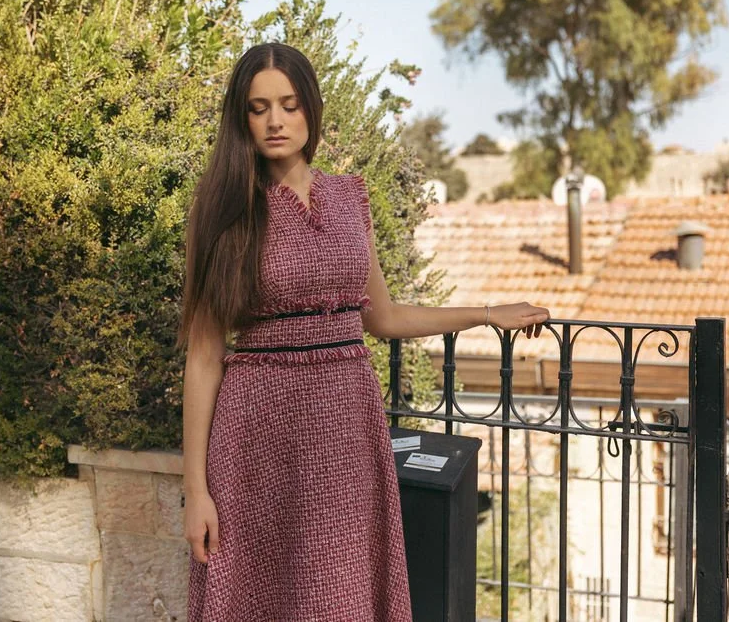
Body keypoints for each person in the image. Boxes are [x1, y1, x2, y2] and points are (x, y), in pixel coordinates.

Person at [178, 42, 550, 621]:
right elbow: (204, 357)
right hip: (257, 435)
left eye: (289, 104)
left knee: (341, 594)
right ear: (241, 118)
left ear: (311, 111)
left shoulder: (351, 198)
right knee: (259, 596)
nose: (275, 121)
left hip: (346, 424)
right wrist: (196, 491)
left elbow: (384, 317)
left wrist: (484, 312)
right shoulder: (226, 209)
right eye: (258, 108)